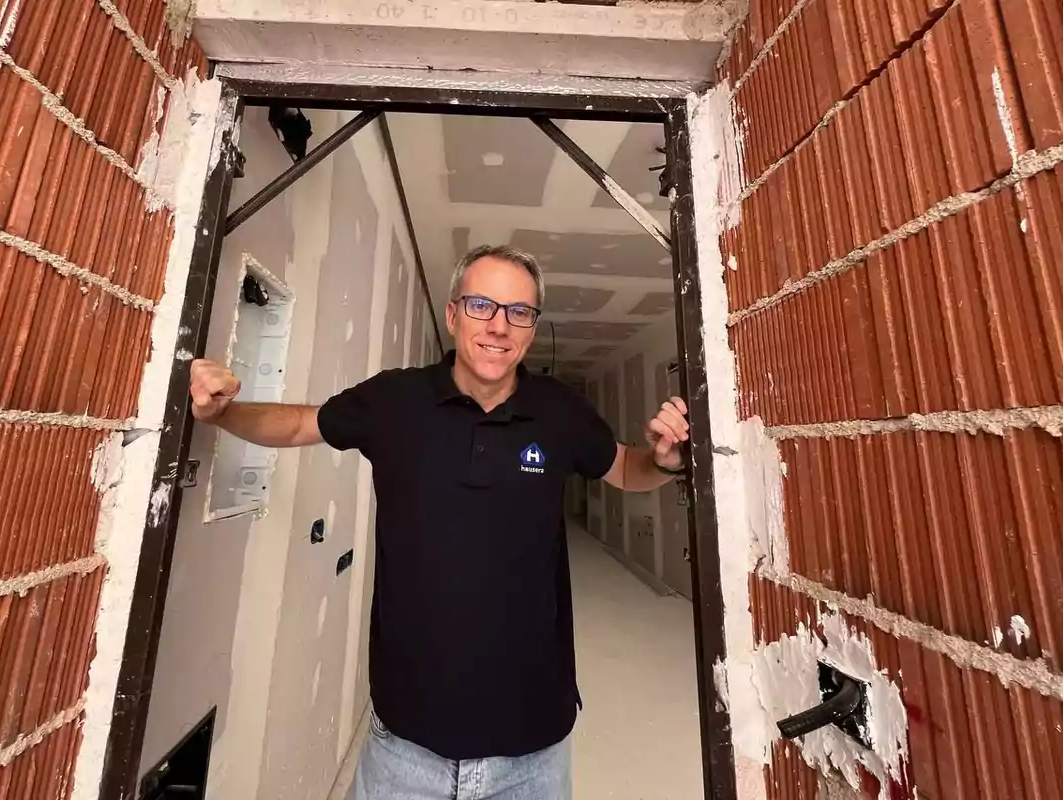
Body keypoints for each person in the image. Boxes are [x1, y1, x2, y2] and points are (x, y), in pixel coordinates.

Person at [189, 245, 690, 800]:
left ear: (532, 328)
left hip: (532, 748)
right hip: (406, 745)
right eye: (481, 305)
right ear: (452, 315)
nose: (499, 326)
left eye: (519, 312)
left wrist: (664, 462)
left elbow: (623, 466)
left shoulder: (561, 411)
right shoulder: (395, 400)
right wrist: (225, 412)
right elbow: (300, 424)